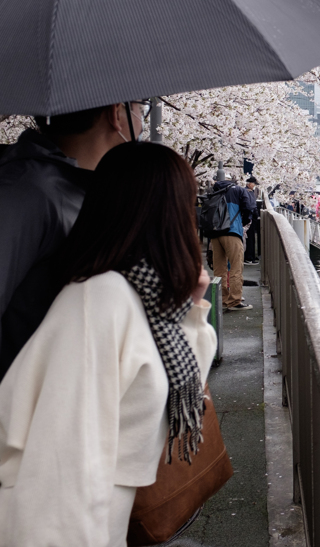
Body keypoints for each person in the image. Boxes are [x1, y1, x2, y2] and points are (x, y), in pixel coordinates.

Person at [0, 142, 217, 544]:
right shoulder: (99, 300)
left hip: (102, 523)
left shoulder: (145, 297)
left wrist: (191, 306)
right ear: (169, 212)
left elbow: (182, 385)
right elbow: (63, 464)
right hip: (64, 524)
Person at [0, 101, 144, 381]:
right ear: (117, 114)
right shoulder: (28, 191)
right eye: (140, 109)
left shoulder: (84, 187)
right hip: (35, 394)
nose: (142, 122)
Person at [209, 175, 256, 311]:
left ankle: (222, 299)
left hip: (215, 233)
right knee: (236, 266)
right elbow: (249, 208)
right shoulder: (239, 190)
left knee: (219, 269)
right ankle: (234, 301)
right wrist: (243, 222)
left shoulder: (214, 191)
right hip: (232, 231)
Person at [243, 175, 261, 265]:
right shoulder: (248, 192)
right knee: (250, 238)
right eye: (253, 184)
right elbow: (251, 205)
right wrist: (256, 215)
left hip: (248, 217)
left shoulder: (246, 192)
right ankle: (249, 257)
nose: (254, 186)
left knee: (249, 238)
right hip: (250, 217)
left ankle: (250, 256)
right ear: (249, 183)